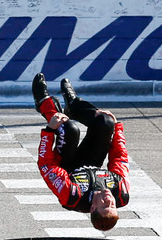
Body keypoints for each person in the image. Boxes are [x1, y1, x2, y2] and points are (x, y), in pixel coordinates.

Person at [32, 73, 130, 231]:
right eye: (113, 205)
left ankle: (43, 102)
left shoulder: (72, 196)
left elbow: (46, 165)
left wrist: (49, 131)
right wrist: (117, 127)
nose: (109, 200)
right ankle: (74, 105)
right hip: (92, 160)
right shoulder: (120, 193)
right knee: (106, 121)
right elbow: (120, 159)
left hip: (65, 165)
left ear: (92, 208)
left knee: (70, 129)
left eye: (105, 205)